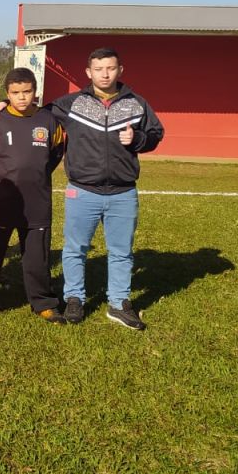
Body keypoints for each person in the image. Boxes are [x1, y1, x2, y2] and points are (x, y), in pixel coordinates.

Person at [52, 47, 163, 329]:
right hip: (82, 191)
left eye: (110, 68)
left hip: (123, 193)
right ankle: (74, 299)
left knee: (122, 251)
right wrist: (4, 104)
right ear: (88, 73)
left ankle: (118, 303)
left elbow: (155, 134)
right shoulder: (70, 104)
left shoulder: (136, 103)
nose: (105, 74)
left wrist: (137, 138)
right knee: (75, 249)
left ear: (120, 70)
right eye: (98, 69)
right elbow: (36, 114)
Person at [0, 67, 66, 323]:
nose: (22, 97)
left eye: (27, 91)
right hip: (0, 201)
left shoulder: (49, 121)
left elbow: (56, 153)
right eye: (15, 93)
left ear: (35, 92)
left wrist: (37, 174)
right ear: (7, 94)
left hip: (36, 202)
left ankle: (43, 302)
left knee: (37, 257)